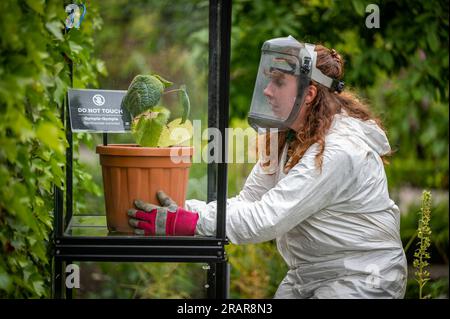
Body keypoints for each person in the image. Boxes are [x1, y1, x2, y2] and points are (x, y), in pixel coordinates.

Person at [127, 36, 408, 299]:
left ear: (309, 94)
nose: (266, 91)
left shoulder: (339, 150)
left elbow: (266, 219)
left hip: (363, 277)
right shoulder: (287, 137)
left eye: (278, 82)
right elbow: (248, 202)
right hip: (308, 275)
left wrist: (190, 224)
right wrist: (187, 210)